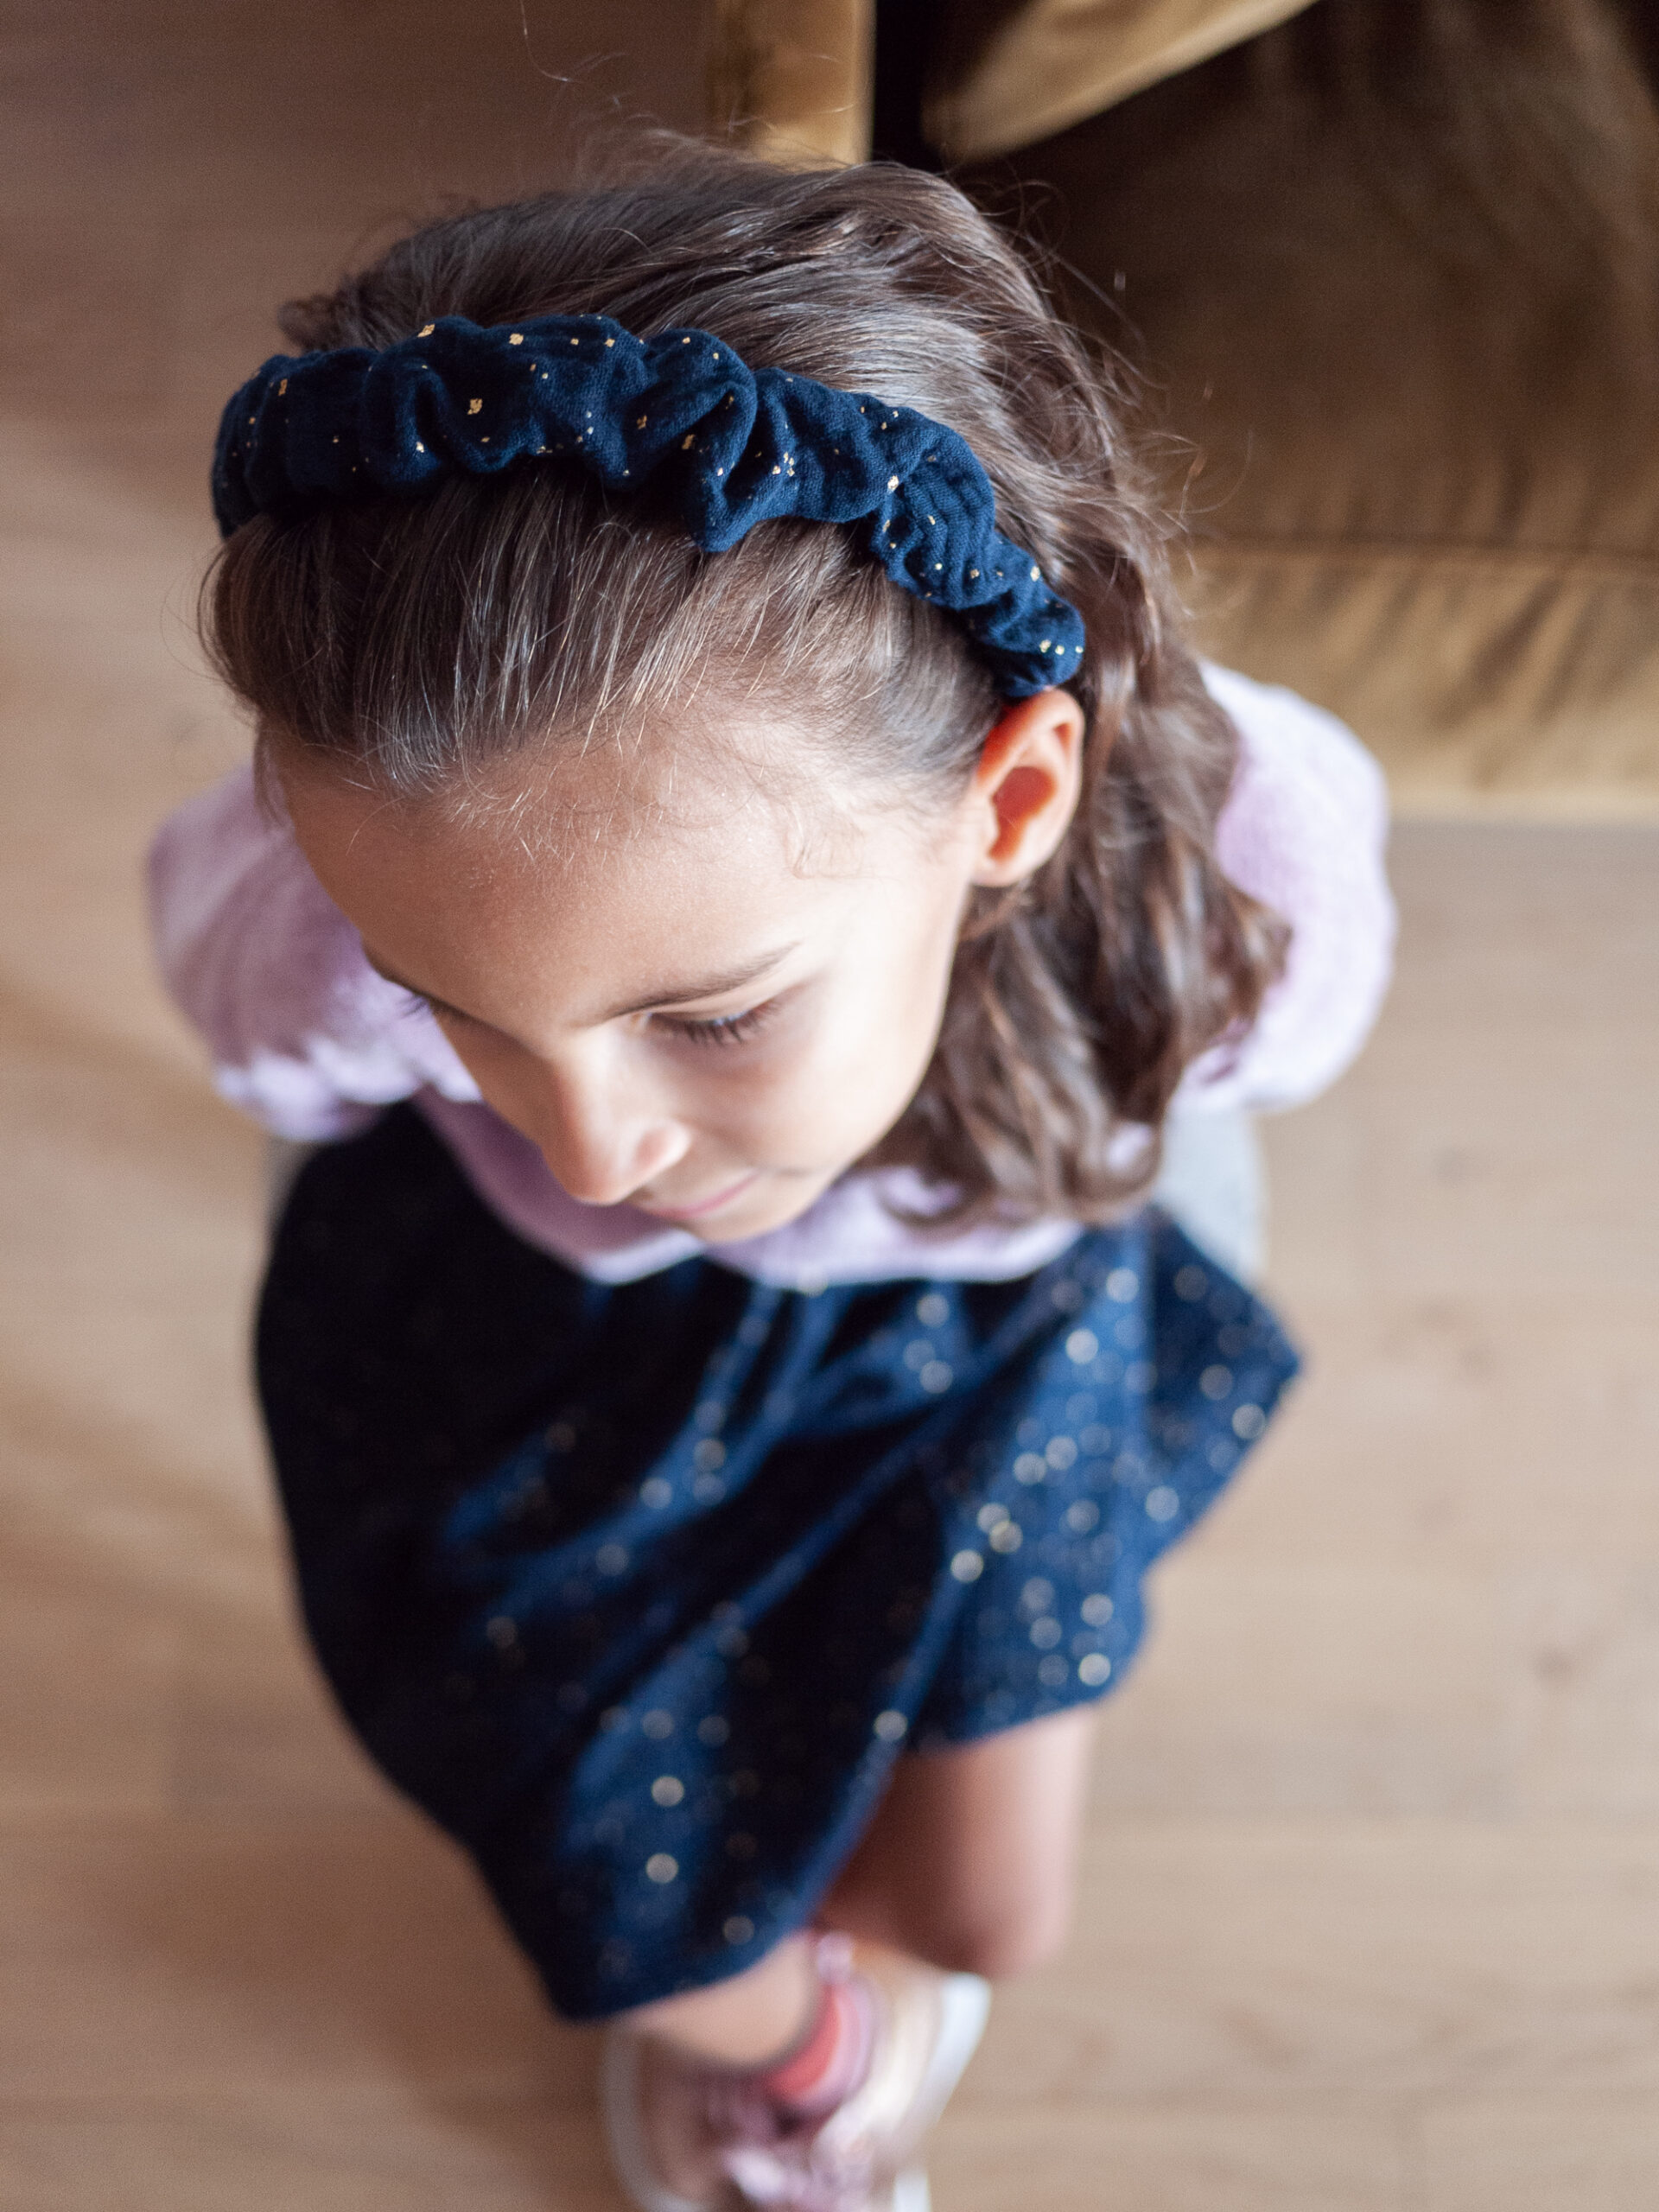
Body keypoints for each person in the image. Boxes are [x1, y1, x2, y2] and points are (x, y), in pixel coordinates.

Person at [149, 136, 1393, 2212]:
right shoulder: (331, 907)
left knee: (995, 1914)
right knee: (646, 1908)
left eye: (708, 1014)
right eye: (448, 1001)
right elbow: (257, 1028)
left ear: (1010, 794)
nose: (590, 1143)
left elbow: (1235, 1094)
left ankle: (872, 1968)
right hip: (530, 1352)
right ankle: (811, 2057)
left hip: (998, 1342)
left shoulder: (1237, 876)